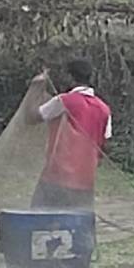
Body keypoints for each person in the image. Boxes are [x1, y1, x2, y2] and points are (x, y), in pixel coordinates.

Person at [22, 59, 112, 209]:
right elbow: (104, 145)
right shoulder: (104, 109)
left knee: (39, 220)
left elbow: (30, 118)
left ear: (70, 77)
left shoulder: (64, 101)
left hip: (56, 177)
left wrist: (35, 88)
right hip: (85, 180)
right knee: (77, 226)